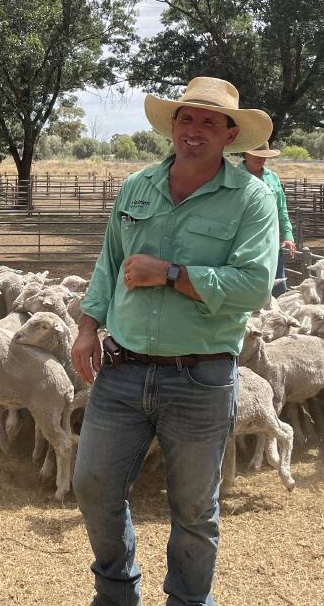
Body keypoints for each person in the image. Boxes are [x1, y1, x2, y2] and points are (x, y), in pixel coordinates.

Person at [69, 76, 279, 606]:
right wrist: (88, 325)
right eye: (187, 118)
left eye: (210, 121)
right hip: (122, 369)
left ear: (230, 135)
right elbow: (110, 262)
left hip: (200, 375)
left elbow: (255, 285)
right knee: (93, 484)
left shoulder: (252, 200)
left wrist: (170, 272)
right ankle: (116, 591)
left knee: (193, 507)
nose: (195, 129)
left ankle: (188, 601)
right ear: (173, 125)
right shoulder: (136, 186)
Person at [241, 143, 296, 296]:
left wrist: (287, 235)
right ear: (245, 153)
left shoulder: (272, 178)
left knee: (278, 286)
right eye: (256, 154)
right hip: (243, 244)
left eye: (264, 155)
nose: (261, 158)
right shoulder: (232, 176)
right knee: (244, 287)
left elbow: (281, 209)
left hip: (271, 242)